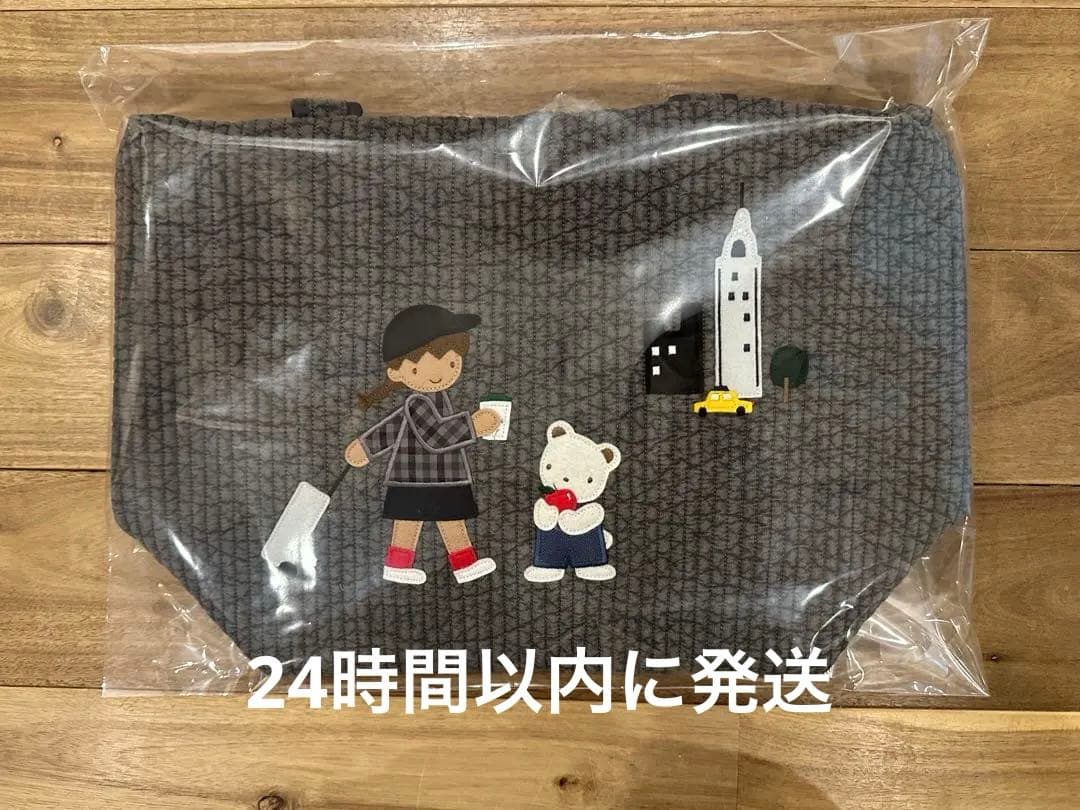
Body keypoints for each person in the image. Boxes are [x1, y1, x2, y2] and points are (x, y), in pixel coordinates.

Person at [345, 304, 501, 585]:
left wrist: (365, 448)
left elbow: (393, 428)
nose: (440, 373)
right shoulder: (418, 402)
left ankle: (463, 564)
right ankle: (400, 566)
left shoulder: (436, 399)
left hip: (440, 475)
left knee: (450, 520)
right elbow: (436, 436)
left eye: (451, 363)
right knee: (413, 521)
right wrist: (474, 426)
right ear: (396, 373)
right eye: (420, 366)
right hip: (416, 476)